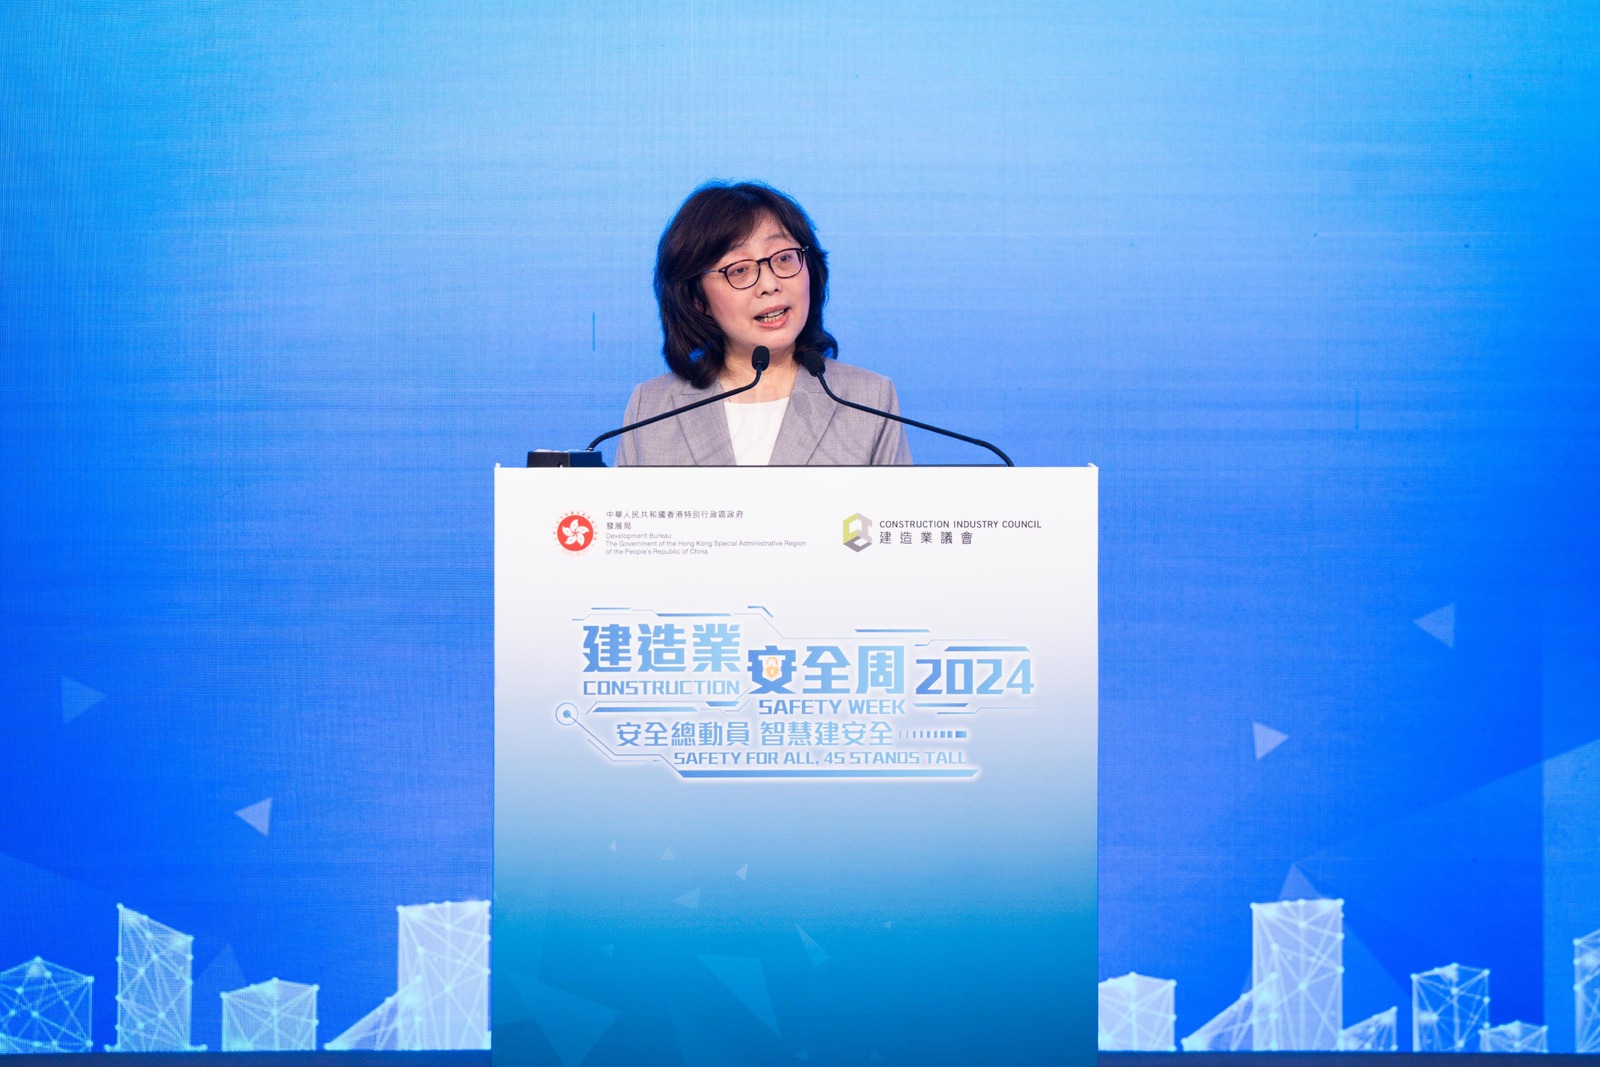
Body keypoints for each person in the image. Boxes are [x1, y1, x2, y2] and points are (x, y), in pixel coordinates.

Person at [615, 182, 912, 466]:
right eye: (739, 269)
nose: (769, 285)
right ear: (697, 298)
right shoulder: (651, 408)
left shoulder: (869, 400)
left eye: (783, 258)